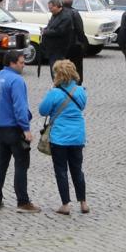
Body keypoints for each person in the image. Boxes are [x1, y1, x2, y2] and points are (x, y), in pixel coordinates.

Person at [38, 60, 89, 215]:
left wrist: (51, 92)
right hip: (77, 136)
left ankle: (65, 205)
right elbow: (82, 106)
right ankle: (83, 202)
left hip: (59, 137)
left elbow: (42, 110)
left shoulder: (54, 93)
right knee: (77, 170)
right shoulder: (80, 91)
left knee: (61, 171)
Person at [0, 49, 36, 210]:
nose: (24, 66)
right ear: (12, 63)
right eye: (21, 63)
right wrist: (26, 128)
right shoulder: (16, 80)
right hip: (14, 128)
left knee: (2, 162)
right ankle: (23, 201)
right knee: (21, 164)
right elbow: (20, 107)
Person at [38, 0, 83, 80]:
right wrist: (45, 30)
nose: (50, 10)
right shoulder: (54, 15)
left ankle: (60, 83)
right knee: (54, 68)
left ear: (56, 6)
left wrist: (46, 32)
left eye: (51, 8)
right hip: (52, 48)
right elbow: (51, 26)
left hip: (60, 48)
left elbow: (60, 31)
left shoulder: (65, 17)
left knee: (58, 68)